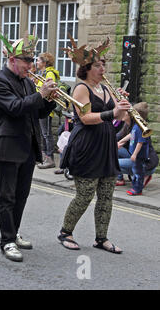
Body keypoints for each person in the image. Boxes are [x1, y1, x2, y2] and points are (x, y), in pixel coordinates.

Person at [58, 37, 131, 253]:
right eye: (98, 65)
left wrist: (122, 105)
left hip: (106, 144)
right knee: (85, 194)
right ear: (87, 69)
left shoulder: (106, 89)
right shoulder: (81, 88)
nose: (102, 68)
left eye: (103, 64)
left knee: (107, 195)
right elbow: (85, 117)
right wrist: (112, 112)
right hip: (87, 146)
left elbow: (120, 117)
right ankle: (65, 232)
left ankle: (101, 238)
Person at [0, 33, 57, 262]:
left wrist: (50, 100)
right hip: (8, 145)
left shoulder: (27, 81)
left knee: (22, 195)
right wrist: (41, 94)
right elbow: (15, 107)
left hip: (28, 145)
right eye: (26, 61)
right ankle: (6, 240)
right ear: (12, 60)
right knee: (7, 196)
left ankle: (14, 232)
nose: (30, 65)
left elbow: (37, 112)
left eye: (31, 60)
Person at [116, 105, 157, 189]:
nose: (123, 113)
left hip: (145, 163)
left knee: (113, 163)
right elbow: (119, 137)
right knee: (112, 149)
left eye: (126, 112)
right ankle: (120, 179)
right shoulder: (128, 125)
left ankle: (144, 175)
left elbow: (140, 143)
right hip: (134, 156)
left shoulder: (140, 129)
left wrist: (134, 155)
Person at [35, 52, 58, 169]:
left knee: (47, 134)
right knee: (43, 134)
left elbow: (48, 90)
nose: (36, 62)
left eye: (38, 60)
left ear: (44, 62)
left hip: (46, 108)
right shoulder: (42, 73)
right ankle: (44, 157)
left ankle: (50, 158)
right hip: (40, 107)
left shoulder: (49, 73)